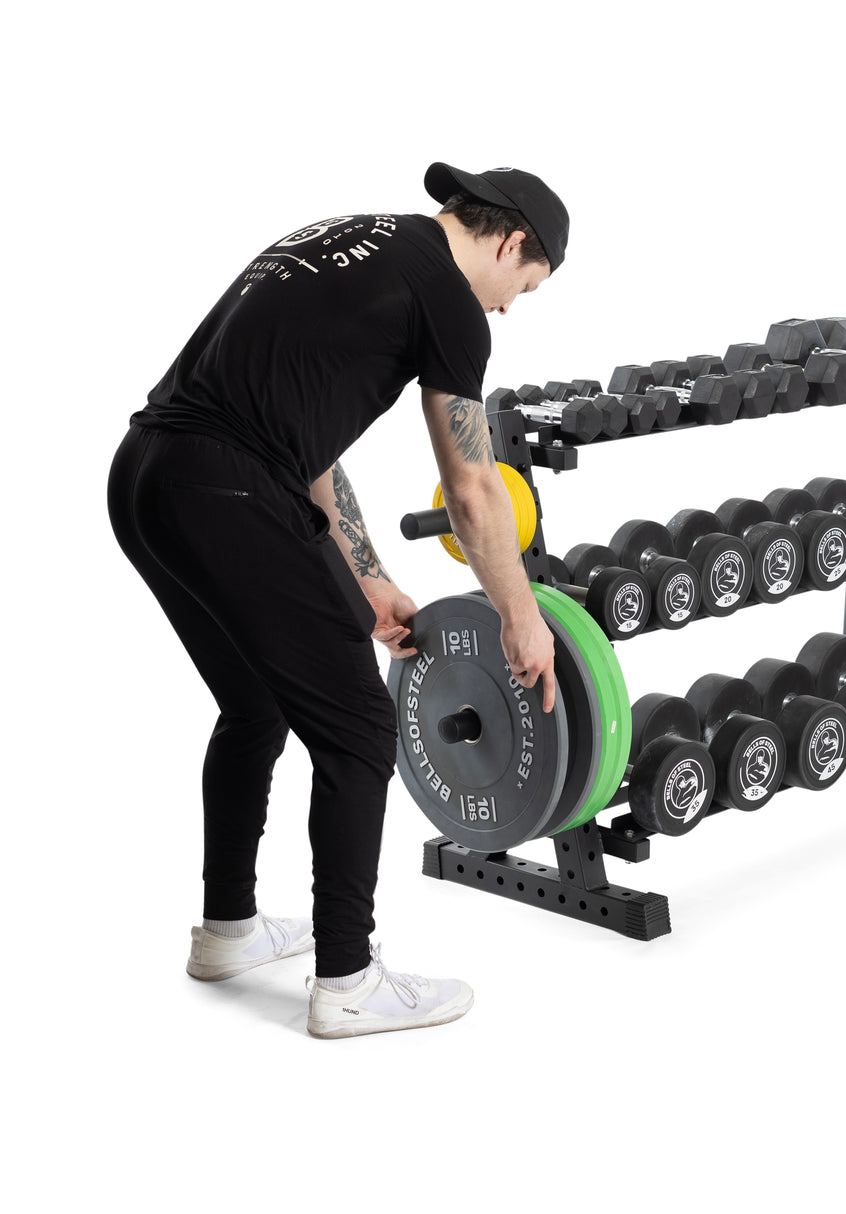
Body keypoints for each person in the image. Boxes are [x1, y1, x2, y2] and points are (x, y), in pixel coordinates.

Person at [107, 164, 568, 1039]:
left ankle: (229, 933)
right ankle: (349, 980)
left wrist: (365, 577)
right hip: (226, 489)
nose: (508, 307)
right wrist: (522, 617)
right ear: (510, 242)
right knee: (358, 729)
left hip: (145, 474)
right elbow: (473, 488)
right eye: (525, 286)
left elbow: (304, 438)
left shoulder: (345, 239)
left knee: (253, 707)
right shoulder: (452, 304)